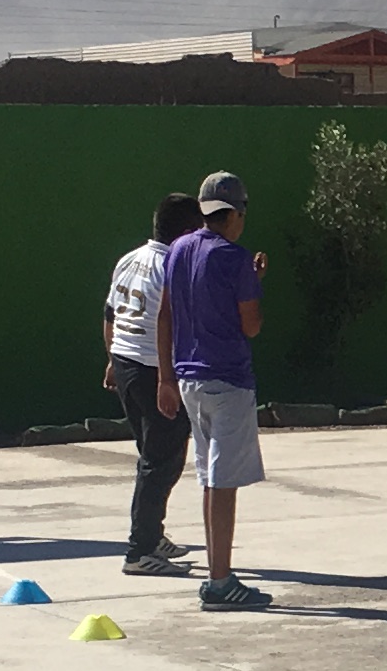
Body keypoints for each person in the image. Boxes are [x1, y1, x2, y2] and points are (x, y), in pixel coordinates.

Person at [154, 168, 274, 612]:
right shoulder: (235, 258)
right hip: (228, 379)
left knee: (209, 478)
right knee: (223, 485)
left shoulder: (180, 249)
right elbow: (251, 325)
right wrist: (254, 283)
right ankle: (221, 580)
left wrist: (165, 378)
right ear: (237, 213)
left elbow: (165, 314)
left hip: (188, 380)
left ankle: (217, 574)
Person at [105, 190, 205, 577]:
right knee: (160, 463)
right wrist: (168, 380)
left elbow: (110, 315)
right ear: (188, 230)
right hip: (153, 371)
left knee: (153, 456)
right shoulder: (173, 267)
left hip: (128, 365)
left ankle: (153, 534)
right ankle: (140, 551)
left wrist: (112, 360)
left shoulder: (130, 259)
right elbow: (169, 323)